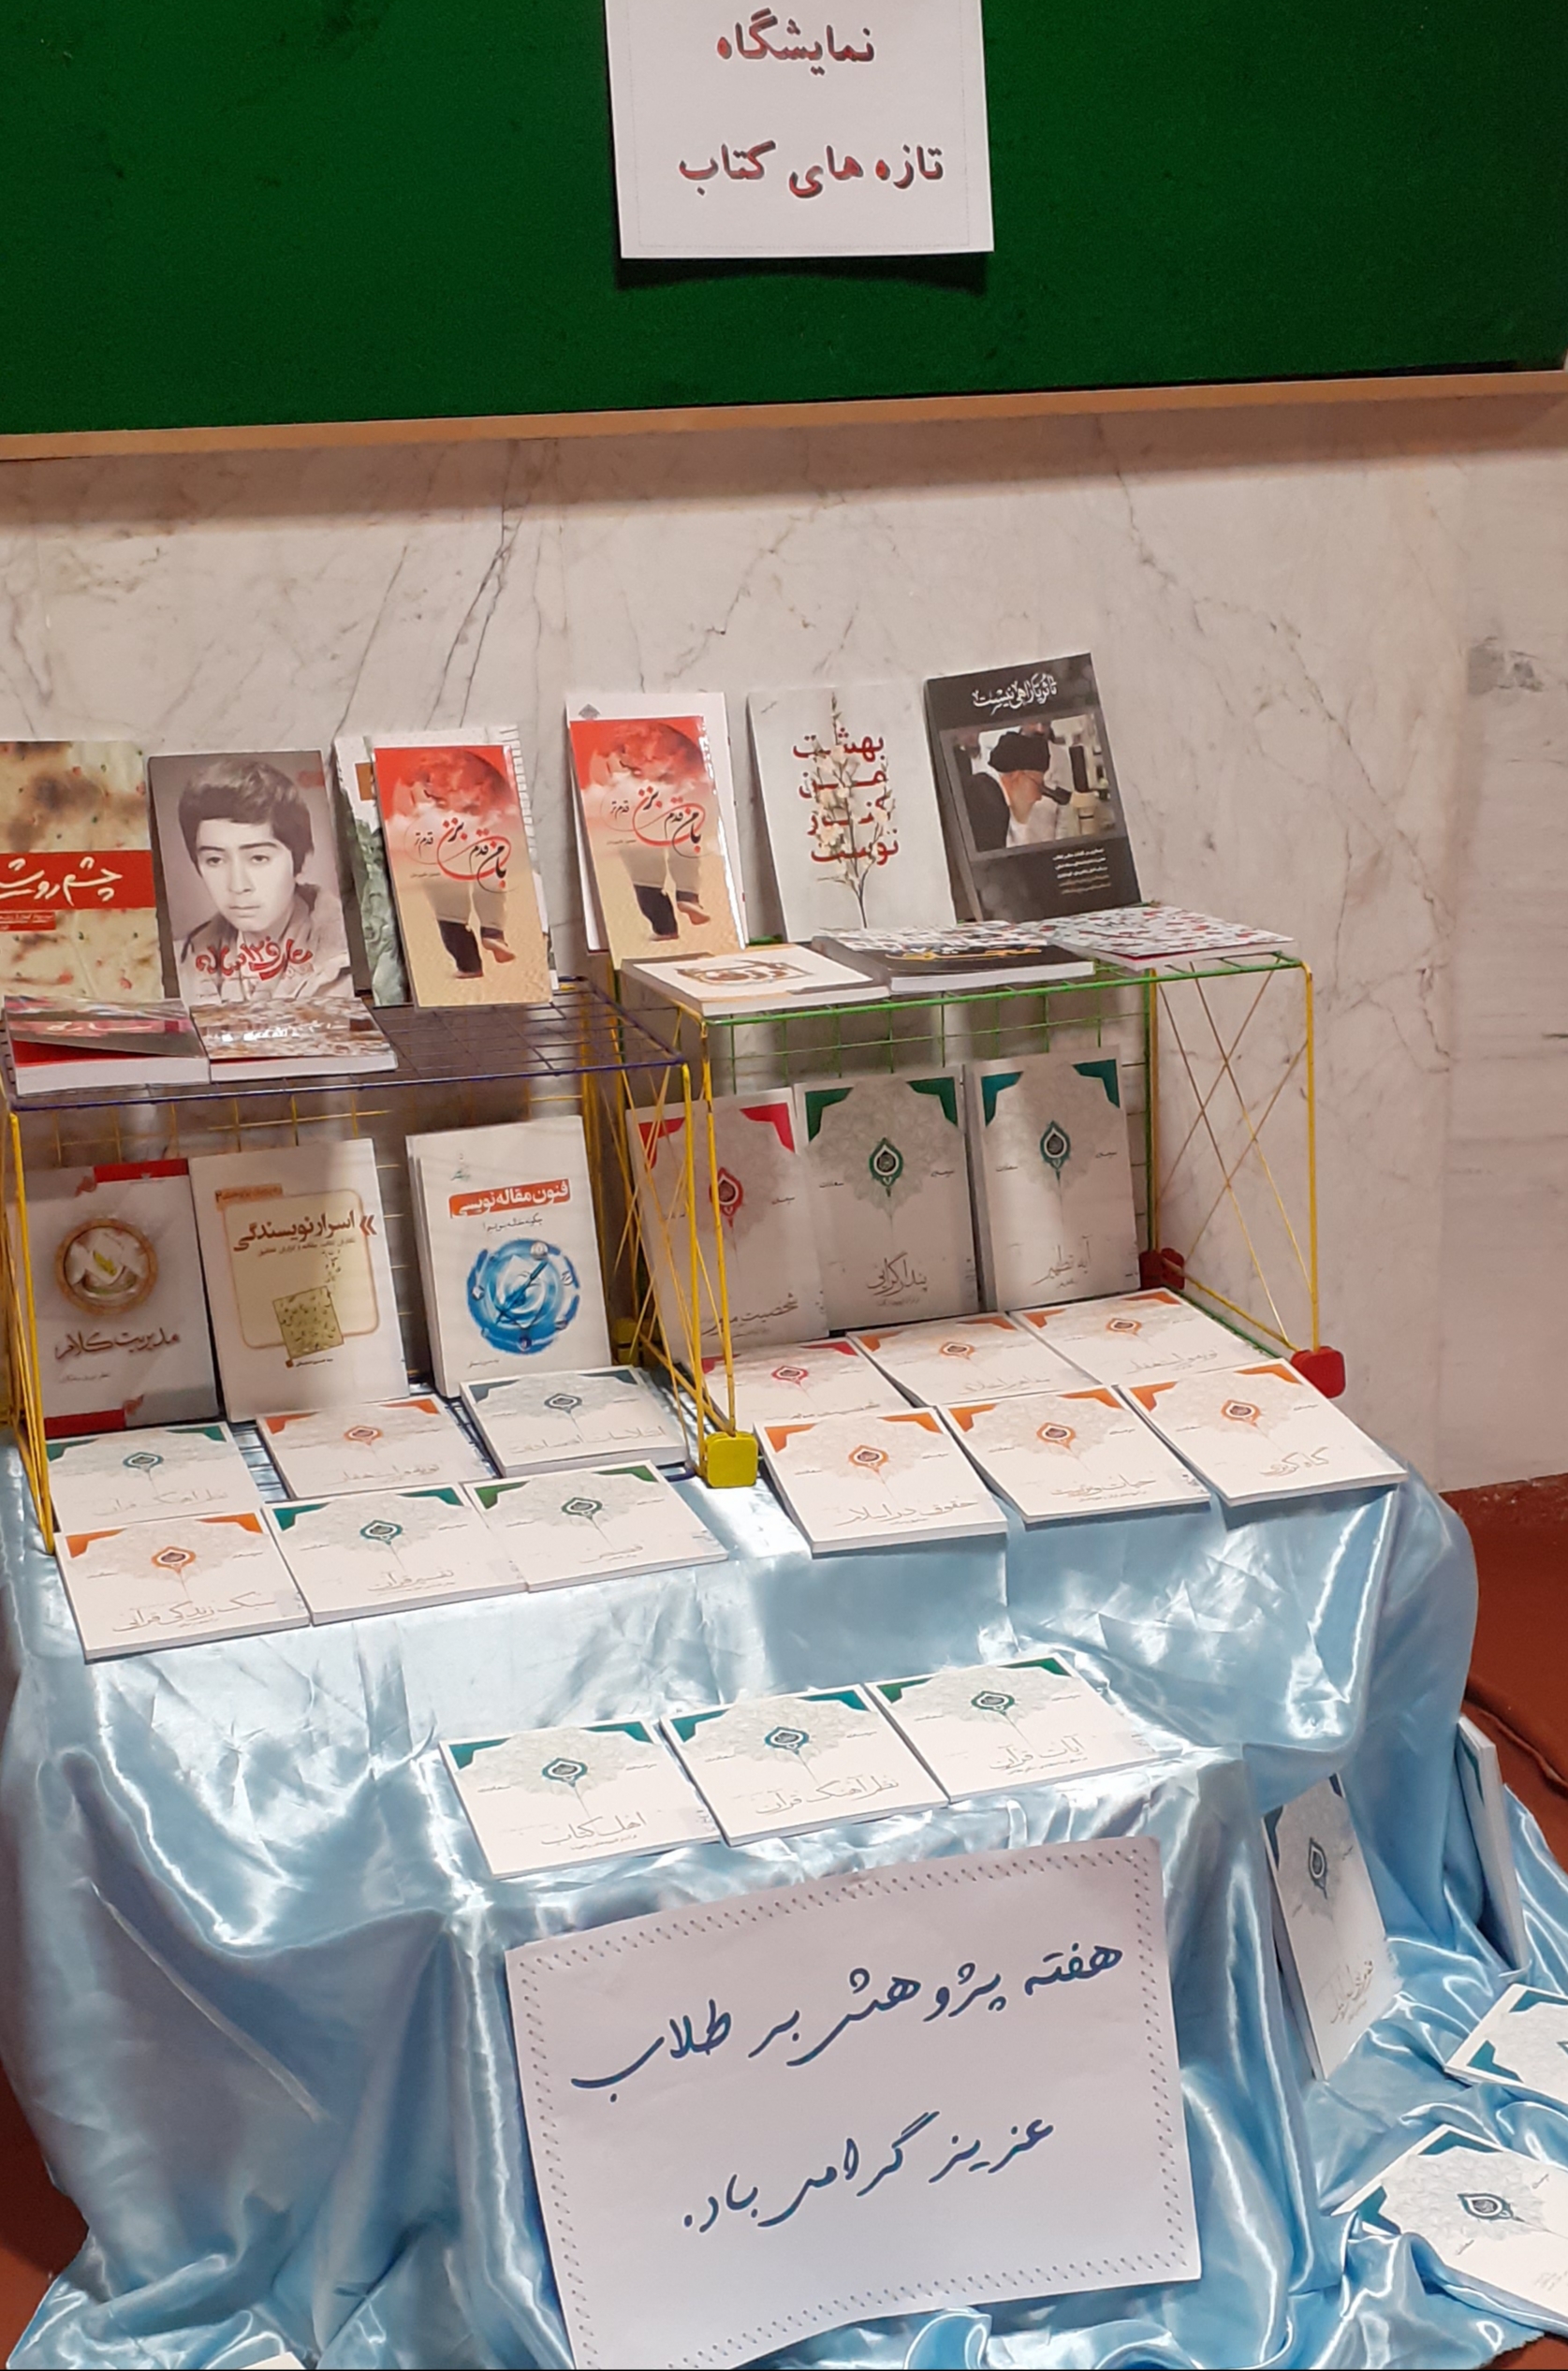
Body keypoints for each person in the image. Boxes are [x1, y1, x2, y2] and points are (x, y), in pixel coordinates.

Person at [175, 756, 352, 1004]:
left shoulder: (351, 954)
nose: (238, 885)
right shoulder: (181, 962)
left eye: (258, 858)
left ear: (300, 860)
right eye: (215, 860)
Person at [384, 747, 521, 980]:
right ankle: (493, 932)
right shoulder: (468, 793)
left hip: (439, 859)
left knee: (451, 918)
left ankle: (470, 965)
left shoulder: (419, 802)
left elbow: (404, 825)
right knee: (488, 886)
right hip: (472, 849)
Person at [578, 721, 717, 943]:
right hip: (651, 819)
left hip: (645, 820)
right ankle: (687, 897)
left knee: (650, 879)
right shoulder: (619, 766)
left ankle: (669, 923)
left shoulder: (636, 761)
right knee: (679, 853)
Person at [962, 729, 1072, 852]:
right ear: (1017, 776)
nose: (1038, 797)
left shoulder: (1000, 801)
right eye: (1038, 786)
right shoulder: (984, 800)